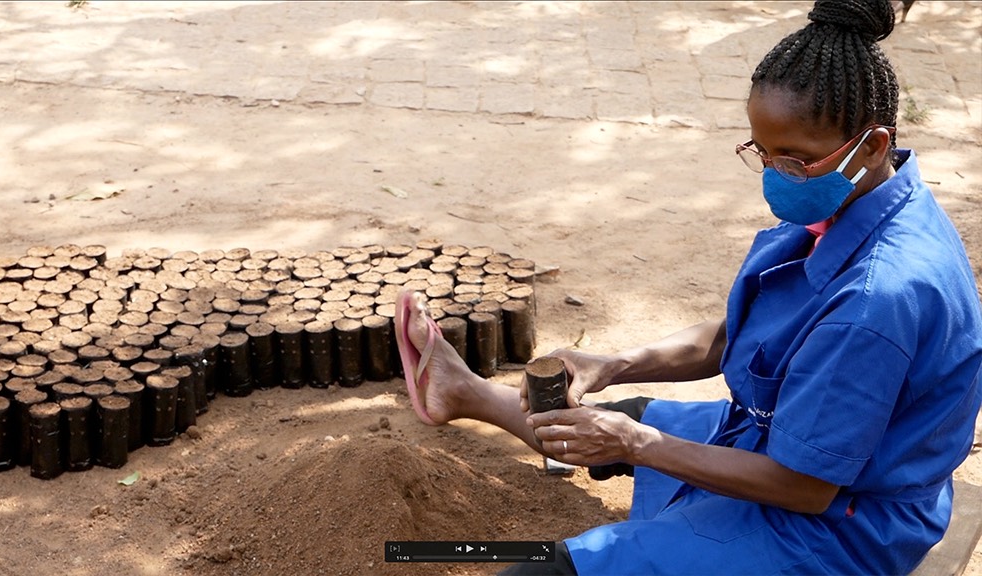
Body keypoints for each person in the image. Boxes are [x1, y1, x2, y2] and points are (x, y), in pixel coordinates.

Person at [393, 0, 982, 574]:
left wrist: (637, 445)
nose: (775, 176)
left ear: (872, 145)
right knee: (618, 416)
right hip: (790, 444)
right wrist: (614, 364)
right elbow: (744, 333)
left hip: (841, 525)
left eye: (793, 162)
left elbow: (803, 486)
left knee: (557, 565)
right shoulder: (858, 198)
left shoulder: (877, 299)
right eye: (762, 153)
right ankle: (465, 393)